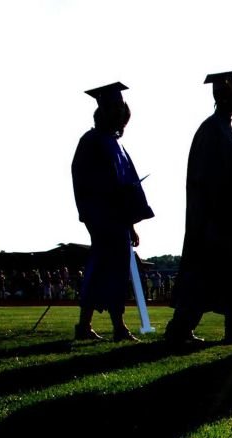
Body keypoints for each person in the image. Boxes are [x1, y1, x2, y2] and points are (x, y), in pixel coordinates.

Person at [166, 70, 232, 345]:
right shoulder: (212, 131)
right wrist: (210, 220)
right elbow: (203, 181)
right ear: (225, 97)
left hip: (230, 221)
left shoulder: (223, 130)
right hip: (216, 221)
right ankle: (180, 329)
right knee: (204, 278)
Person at [71, 82, 154, 342]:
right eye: (115, 109)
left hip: (117, 219)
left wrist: (130, 224)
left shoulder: (115, 144)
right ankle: (109, 326)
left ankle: (98, 326)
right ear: (104, 111)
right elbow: (86, 182)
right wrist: (94, 214)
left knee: (114, 271)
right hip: (103, 217)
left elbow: (126, 183)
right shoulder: (92, 141)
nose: (120, 115)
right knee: (103, 270)